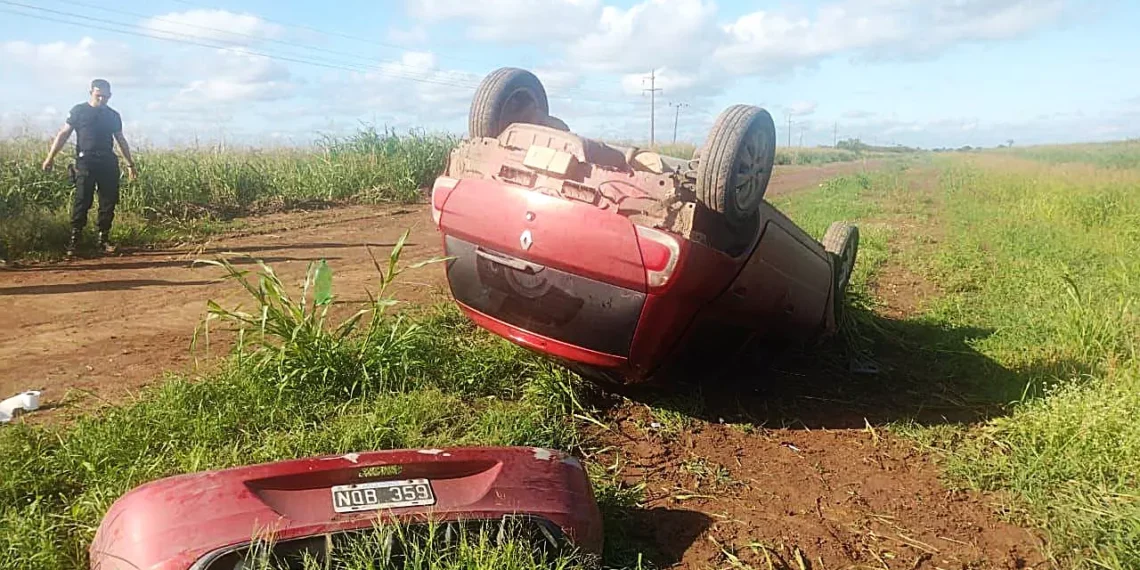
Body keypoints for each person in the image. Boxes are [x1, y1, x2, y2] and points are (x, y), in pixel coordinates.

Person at [42, 78, 137, 256]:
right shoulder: (79, 111)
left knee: (108, 202)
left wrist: (130, 164)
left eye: (106, 97)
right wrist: (50, 158)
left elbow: (121, 140)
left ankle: (103, 240)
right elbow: (63, 134)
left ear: (110, 96)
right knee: (82, 200)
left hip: (108, 162)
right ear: (91, 93)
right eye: (99, 95)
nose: (102, 100)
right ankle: (74, 241)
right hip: (85, 161)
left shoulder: (112, 115)